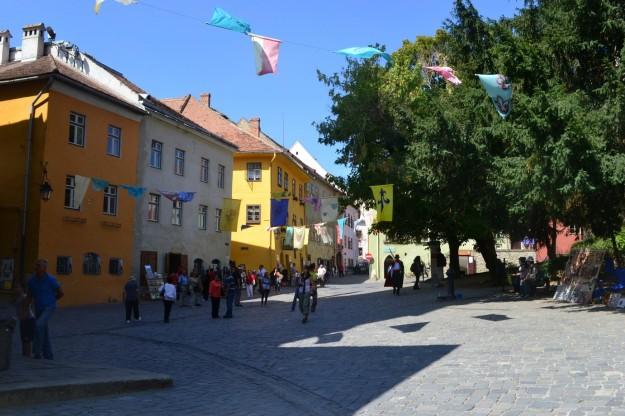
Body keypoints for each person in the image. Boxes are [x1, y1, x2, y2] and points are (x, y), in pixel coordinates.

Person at [26, 259, 63, 360]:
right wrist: (26, 308)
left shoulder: (51, 280)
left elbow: (61, 292)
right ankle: (48, 355)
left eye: (39, 266)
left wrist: (52, 300)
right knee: (44, 330)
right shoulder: (31, 280)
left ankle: (37, 352)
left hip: (49, 307)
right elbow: (29, 295)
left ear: (44, 269)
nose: (36, 268)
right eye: (36, 265)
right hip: (38, 307)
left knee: (39, 325)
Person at [15, 287, 34, 357]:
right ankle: (25, 354)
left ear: (22, 289)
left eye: (17, 287)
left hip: (28, 319)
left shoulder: (24, 297)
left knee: (27, 339)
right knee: (23, 338)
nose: (16, 289)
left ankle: (28, 354)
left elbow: (28, 304)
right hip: (23, 320)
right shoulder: (18, 297)